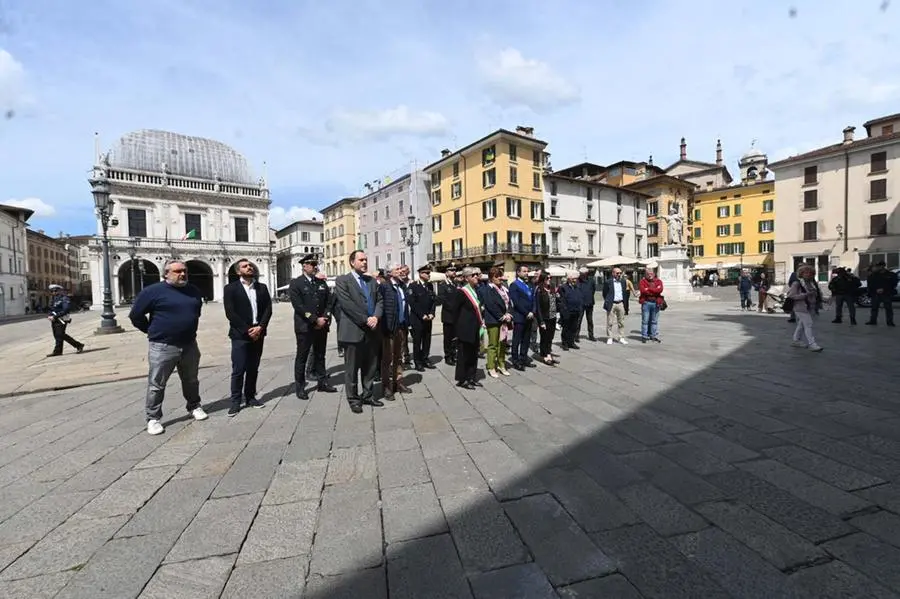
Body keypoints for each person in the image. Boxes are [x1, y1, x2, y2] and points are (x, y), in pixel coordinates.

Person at [129, 260, 208, 436]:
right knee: (157, 384)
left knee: (191, 380)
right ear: (166, 274)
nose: (182, 274)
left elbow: (196, 311)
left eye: (185, 271)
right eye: (178, 271)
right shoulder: (152, 292)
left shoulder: (193, 291)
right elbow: (136, 315)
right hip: (162, 346)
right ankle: (153, 418)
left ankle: (194, 406)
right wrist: (151, 331)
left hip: (189, 344)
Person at [334, 251, 383, 413]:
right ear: (352, 262)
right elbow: (347, 304)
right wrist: (365, 319)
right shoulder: (343, 281)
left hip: (372, 330)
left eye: (366, 260)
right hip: (353, 331)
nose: (364, 262)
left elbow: (380, 300)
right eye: (361, 260)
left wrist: (376, 316)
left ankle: (368, 395)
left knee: (370, 366)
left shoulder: (372, 281)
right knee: (352, 368)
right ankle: (353, 398)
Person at [223, 259, 272, 416]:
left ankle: (251, 397)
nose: (249, 267)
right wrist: (248, 330)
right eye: (245, 266)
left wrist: (261, 327)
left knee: (253, 367)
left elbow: (268, 309)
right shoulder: (231, 289)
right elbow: (230, 313)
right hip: (240, 335)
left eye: (250, 266)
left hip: (259, 332)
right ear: (238, 271)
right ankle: (236, 401)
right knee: (238, 369)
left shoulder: (262, 287)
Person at [290, 255, 337, 400]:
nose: (315, 266)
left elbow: (329, 301)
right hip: (305, 326)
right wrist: (314, 319)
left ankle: (322, 382)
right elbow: (298, 305)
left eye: (316, 264)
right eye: (311, 264)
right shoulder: (296, 283)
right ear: (304, 266)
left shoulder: (320, 283)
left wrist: (326, 317)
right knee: (302, 357)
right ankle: (300, 386)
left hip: (321, 326)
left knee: (320, 355)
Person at [379, 264, 410, 400]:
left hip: (401, 327)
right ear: (389, 273)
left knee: (399, 356)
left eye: (401, 269)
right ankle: (386, 386)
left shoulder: (402, 286)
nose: (401, 271)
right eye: (397, 269)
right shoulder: (385, 287)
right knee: (387, 359)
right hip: (389, 328)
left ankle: (398, 382)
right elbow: (382, 306)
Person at [453, 267, 484, 389]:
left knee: (473, 354)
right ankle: (462, 379)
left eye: (477, 274)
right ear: (466, 278)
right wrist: (457, 331)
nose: (476, 276)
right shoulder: (461, 292)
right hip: (465, 329)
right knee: (463, 355)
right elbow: (455, 311)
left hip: (475, 327)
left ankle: (471, 377)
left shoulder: (475, 290)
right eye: (473, 275)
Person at [480, 266, 512, 377]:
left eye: (500, 276)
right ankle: (491, 366)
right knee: (493, 344)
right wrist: (502, 316)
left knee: (502, 343)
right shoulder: (488, 289)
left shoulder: (504, 289)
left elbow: (510, 302)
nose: (499, 278)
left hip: (505, 320)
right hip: (494, 320)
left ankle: (501, 364)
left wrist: (509, 314)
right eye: (496, 276)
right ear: (491, 278)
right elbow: (490, 305)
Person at [788, 264, 823, 351]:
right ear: (801, 274)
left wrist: (823, 300)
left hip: (810, 307)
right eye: (806, 273)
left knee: (801, 325)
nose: (808, 274)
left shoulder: (812, 283)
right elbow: (791, 296)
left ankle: (796, 340)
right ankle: (812, 344)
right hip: (800, 307)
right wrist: (805, 295)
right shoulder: (797, 283)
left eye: (810, 273)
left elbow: (815, 295)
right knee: (808, 324)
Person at [408, 264, 437, 371]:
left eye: (429, 273)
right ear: (420, 274)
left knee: (427, 340)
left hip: (428, 318)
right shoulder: (413, 286)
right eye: (427, 273)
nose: (429, 275)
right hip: (417, 319)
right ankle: (418, 362)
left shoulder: (430, 285)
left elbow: (433, 301)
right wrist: (422, 315)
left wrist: (432, 313)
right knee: (417, 341)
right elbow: (412, 303)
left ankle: (425, 358)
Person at [508, 264, 536, 369]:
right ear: (518, 273)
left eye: (527, 271)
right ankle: (515, 360)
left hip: (530, 316)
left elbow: (533, 299)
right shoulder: (514, 285)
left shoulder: (529, 284)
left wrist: (533, 311)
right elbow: (516, 302)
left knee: (526, 339)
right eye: (524, 271)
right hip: (520, 316)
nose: (526, 273)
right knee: (517, 340)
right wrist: (526, 312)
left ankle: (524, 358)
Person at [46, 284, 84, 357]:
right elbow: (50, 309)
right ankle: (58, 351)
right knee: (57, 335)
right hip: (54, 319)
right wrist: (49, 315)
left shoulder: (64, 298)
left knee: (60, 334)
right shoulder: (53, 299)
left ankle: (78, 345)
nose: (54, 292)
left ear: (60, 291)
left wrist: (55, 316)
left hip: (62, 319)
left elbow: (66, 309)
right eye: (52, 291)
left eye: (55, 290)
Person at [533, 272, 559, 366]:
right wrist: (541, 321)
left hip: (553, 316)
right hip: (544, 317)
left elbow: (556, 301)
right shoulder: (539, 290)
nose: (549, 280)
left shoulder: (552, 288)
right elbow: (538, 307)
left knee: (550, 337)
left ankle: (548, 353)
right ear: (542, 279)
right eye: (547, 278)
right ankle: (544, 355)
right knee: (544, 337)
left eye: (550, 278)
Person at [436, 265, 459, 365]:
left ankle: (454, 354)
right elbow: (443, 300)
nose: (454, 272)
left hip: (457, 316)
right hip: (448, 316)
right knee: (448, 337)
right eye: (451, 270)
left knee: (455, 337)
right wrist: (455, 308)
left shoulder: (456, 284)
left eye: (455, 270)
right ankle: (448, 356)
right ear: (446, 273)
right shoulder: (442, 285)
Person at [865, 261, 897, 327]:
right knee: (874, 308)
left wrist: (884, 289)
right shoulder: (874, 275)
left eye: (879, 266)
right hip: (876, 293)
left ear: (883, 266)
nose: (877, 267)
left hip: (886, 293)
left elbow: (893, 284)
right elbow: (870, 284)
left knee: (888, 308)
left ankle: (890, 322)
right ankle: (873, 321)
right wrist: (875, 290)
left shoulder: (890, 274)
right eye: (877, 266)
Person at [557, 272, 583, 350]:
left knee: (574, 327)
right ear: (569, 279)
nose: (575, 280)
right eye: (573, 279)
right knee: (566, 328)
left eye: (576, 279)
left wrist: (580, 307)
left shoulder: (577, 287)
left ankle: (571, 342)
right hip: (567, 311)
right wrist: (564, 310)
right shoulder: (563, 287)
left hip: (576, 310)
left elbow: (579, 297)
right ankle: (564, 343)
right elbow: (561, 300)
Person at [602, 267, 628, 344]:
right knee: (610, 322)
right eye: (617, 273)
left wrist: (624, 303)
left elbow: (624, 292)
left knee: (621, 322)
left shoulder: (623, 281)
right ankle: (609, 337)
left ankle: (621, 337)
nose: (619, 274)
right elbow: (605, 293)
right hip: (611, 303)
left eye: (620, 273)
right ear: (613, 273)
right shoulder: (608, 282)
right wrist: (608, 301)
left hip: (620, 303)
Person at [638, 267, 664, 343]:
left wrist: (648, 289)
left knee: (654, 321)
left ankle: (653, 336)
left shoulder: (659, 281)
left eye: (651, 273)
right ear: (645, 274)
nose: (650, 275)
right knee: (645, 321)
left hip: (656, 303)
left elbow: (660, 290)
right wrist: (654, 290)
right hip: (646, 302)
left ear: (654, 274)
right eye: (648, 274)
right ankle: (644, 336)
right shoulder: (642, 281)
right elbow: (643, 291)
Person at [577, 267, 597, 342]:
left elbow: (593, 290)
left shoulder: (591, 280)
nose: (582, 275)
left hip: (589, 303)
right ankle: (576, 335)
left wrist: (590, 297)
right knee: (579, 320)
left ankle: (591, 335)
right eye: (581, 274)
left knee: (590, 320)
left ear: (586, 273)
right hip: (580, 304)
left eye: (583, 274)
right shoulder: (577, 281)